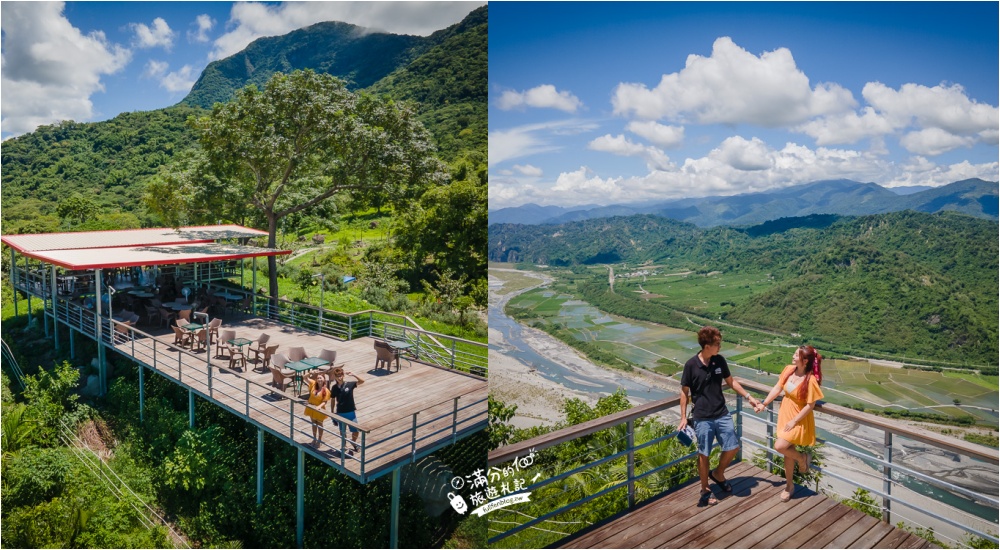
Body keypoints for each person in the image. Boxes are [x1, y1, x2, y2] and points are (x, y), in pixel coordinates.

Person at [679, 326, 761, 506]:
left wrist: (749, 398)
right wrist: (683, 417)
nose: (719, 347)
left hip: (721, 413)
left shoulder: (719, 361)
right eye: (717, 344)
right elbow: (684, 392)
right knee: (704, 454)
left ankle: (718, 473)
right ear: (707, 345)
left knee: (733, 447)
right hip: (702, 417)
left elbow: (730, 382)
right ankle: (704, 488)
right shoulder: (691, 365)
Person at [757, 345, 824, 502]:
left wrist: (794, 421)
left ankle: (802, 459)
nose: (793, 356)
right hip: (785, 413)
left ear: (805, 361)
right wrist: (764, 403)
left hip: (798, 418)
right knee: (788, 450)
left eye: (796, 355)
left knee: (780, 446)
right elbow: (778, 387)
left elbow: (810, 405)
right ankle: (789, 486)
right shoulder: (789, 370)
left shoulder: (810, 380)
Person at [329, 366, 365, 456]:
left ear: (343, 375)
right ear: (335, 377)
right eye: (337, 376)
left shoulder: (349, 384)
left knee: (355, 431)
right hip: (340, 412)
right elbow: (332, 399)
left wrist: (354, 374)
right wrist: (332, 412)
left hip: (351, 412)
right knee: (343, 432)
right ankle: (344, 446)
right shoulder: (334, 388)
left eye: (341, 375)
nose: (339, 377)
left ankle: (353, 442)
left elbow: (362, 381)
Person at [305, 373, 331, 446]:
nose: (319, 380)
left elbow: (325, 401)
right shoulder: (313, 384)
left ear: (324, 380)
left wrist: (319, 406)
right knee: (313, 424)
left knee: (320, 424)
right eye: (318, 378)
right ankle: (314, 438)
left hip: (319, 409)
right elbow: (304, 377)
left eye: (321, 378)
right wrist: (311, 372)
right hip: (311, 407)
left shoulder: (326, 390)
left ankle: (319, 440)